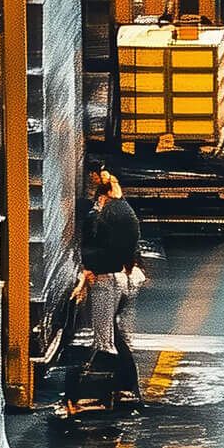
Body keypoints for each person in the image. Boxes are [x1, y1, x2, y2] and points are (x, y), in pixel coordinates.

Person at [81, 160, 144, 405]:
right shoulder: (120, 211)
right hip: (113, 276)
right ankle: (124, 387)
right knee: (111, 335)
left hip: (108, 279)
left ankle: (114, 390)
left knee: (105, 339)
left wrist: (91, 268)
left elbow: (107, 245)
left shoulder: (114, 214)